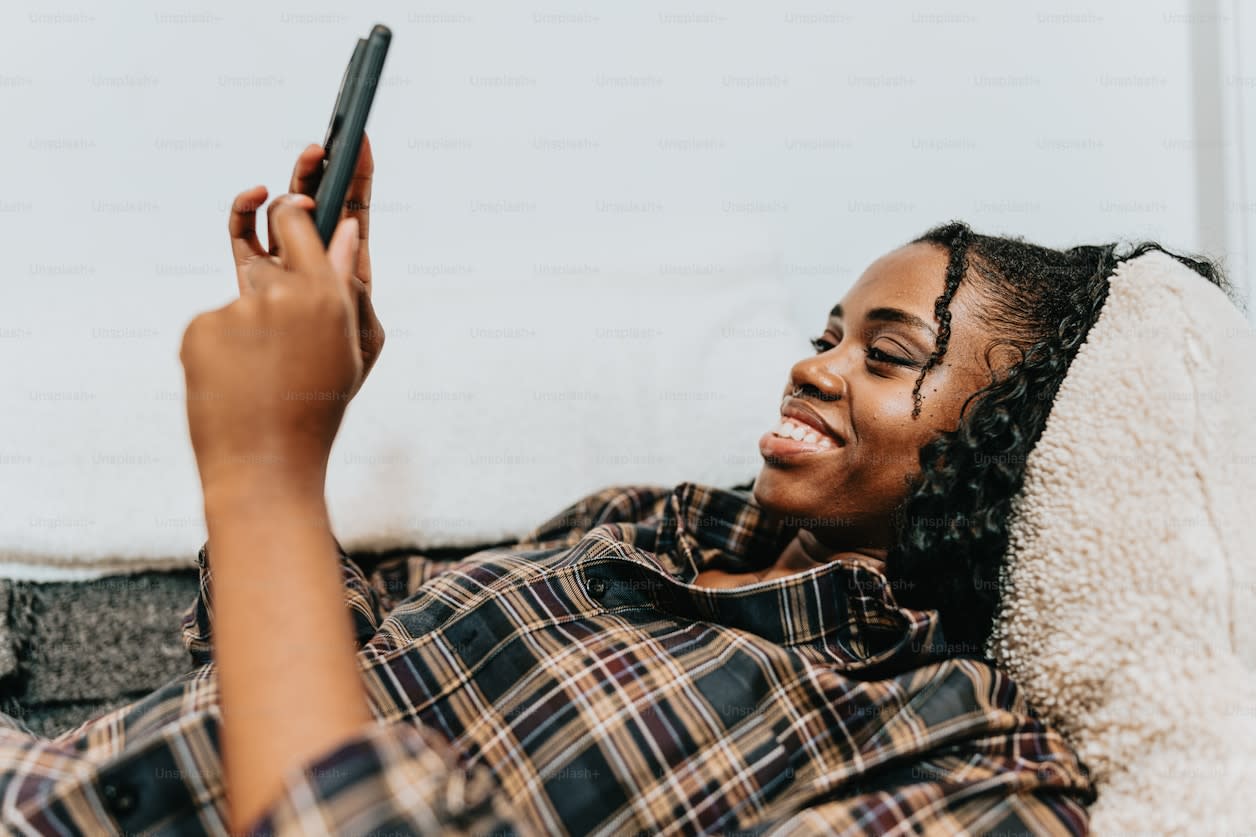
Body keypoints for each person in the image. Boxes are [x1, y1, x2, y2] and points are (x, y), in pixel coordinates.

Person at [0, 136, 1235, 836]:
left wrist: (264, 473)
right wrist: (308, 402)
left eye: (887, 354)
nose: (812, 366)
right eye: (824, 328)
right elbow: (275, 654)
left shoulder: (958, 765)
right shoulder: (642, 528)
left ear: (1017, 446)